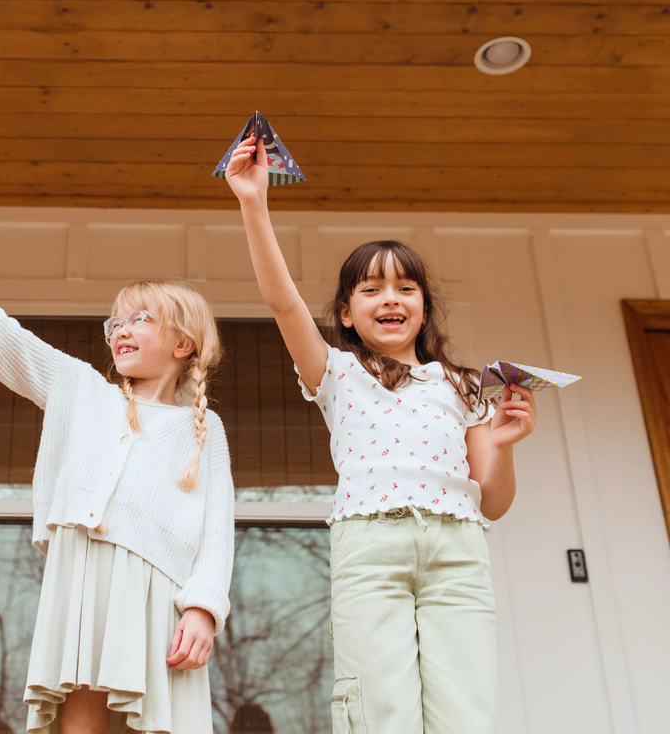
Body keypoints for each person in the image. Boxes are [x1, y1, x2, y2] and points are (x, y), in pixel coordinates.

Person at [225, 133, 537, 734]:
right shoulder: (337, 373)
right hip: (370, 545)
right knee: (378, 708)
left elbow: (492, 503)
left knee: (466, 708)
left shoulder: (462, 384)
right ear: (346, 313)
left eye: (404, 287)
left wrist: (500, 448)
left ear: (424, 306)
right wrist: (253, 204)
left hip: (457, 550)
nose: (388, 298)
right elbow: (282, 302)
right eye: (370, 289)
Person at [0, 193, 235, 734]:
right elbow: (4, 336)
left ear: (184, 342)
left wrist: (204, 608)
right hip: (83, 582)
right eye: (113, 322)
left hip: (156, 595)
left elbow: (217, 531)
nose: (119, 329)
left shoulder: (203, 428)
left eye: (139, 318)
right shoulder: (81, 389)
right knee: (81, 725)